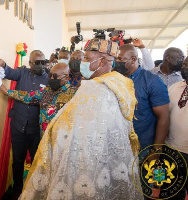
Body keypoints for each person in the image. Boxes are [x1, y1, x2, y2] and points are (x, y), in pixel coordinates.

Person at [19, 39, 143, 200]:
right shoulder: (116, 82)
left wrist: (55, 130)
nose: (82, 63)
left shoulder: (97, 89)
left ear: (103, 61)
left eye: (86, 59)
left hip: (87, 161)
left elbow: (79, 128)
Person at [0, 50, 48, 199]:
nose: (41, 65)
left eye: (43, 62)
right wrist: (1, 63)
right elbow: (9, 72)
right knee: (17, 160)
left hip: (36, 130)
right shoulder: (22, 73)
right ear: (30, 63)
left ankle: (35, 189)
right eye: (37, 62)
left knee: (36, 161)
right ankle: (17, 189)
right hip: (19, 126)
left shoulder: (48, 79)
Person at [115, 44, 170, 199]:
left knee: (142, 189)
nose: (116, 62)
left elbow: (164, 118)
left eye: (120, 59)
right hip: (118, 147)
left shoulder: (152, 81)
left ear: (133, 59)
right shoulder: (115, 79)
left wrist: (156, 151)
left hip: (144, 148)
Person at [0, 63, 77, 137]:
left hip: (61, 140)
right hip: (44, 139)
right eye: (51, 75)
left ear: (66, 77)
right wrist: (7, 92)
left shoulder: (74, 94)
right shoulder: (47, 90)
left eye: (55, 76)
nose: (52, 78)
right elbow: (28, 96)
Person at [164, 56, 188, 200]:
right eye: (184, 64)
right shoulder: (174, 87)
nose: (185, 68)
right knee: (172, 191)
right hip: (173, 149)